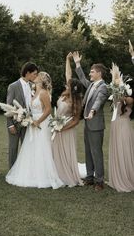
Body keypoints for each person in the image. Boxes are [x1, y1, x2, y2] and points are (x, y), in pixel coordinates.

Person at [6, 72, 64, 189]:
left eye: (38, 75)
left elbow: (48, 110)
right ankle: (32, 173)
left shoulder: (43, 93)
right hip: (32, 123)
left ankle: (43, 175)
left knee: (42, 148)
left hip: (42, 123)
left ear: (41, 80)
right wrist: (27, 117)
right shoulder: (34, 92)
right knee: (31, 148)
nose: (35, 76)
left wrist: (38, 121)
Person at [73, 51, 108, 191]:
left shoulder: (103, 87)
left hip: (96, 124)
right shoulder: (92, 85)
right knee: (88, 152)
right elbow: (82, 78)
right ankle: (89, 177)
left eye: (92, 72)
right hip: (88, 123)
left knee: (96, 153)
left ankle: (99, 181)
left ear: (99, 73)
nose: (90, 74)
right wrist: (77, 64)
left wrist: (93, 111)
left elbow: (99, 100)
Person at [52, 53, 85, 187]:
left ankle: (65, 174)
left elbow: (76, 121)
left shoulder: (75, 102)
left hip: (66, 130)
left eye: (68, 85)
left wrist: (62, 128)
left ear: (72, 88)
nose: (66, 84)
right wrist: (67, 60)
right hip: (56, 127)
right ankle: (55, 172)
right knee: (55, 151)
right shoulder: (65, 95)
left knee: (65, 153)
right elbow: (68, 74)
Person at [7, 62, 39, 168]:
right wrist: (10, 124)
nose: (36, 76)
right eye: (34, 74)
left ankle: (25, 169)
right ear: (28, 73)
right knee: (13, 147)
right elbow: (8, 106)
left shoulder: (32, 86)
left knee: (27, 147)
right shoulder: (13, 86)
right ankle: (12, 169)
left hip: (28, 122)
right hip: (15, 122)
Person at [108, 80, 134, 192]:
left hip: (124, 127)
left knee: (124, 150)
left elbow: (124, 99)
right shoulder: (118, 94)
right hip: (115, 126)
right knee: (117, 151)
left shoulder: (130, 99)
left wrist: (118, 91)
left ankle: (125, 178)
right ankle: (116, 176)